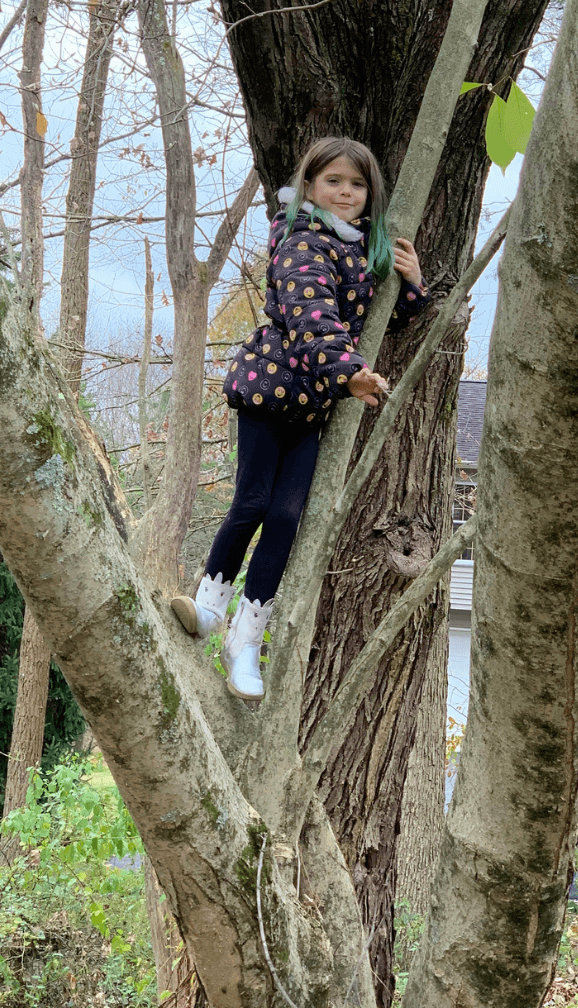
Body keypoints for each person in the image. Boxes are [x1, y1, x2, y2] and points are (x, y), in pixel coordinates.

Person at [171, 137, 430, 700]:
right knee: (254, 502)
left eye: (357, 184)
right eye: (333, 181)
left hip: (311, 406)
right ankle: (211, 606)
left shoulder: (358, 249)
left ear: (370, 195)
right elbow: (314, 320)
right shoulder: (301, 242)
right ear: (309, 186)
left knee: (286, 518)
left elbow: (373, 319)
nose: (345, 192)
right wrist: (352, 375)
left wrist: (410, 286)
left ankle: (245, 642)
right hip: (270, 392)